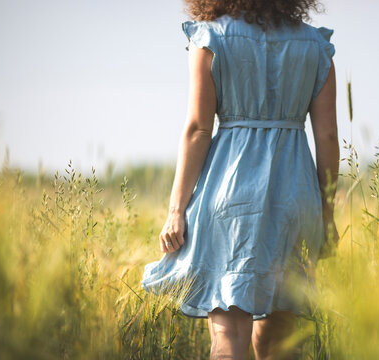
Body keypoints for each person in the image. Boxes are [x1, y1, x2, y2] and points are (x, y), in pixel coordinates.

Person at [141, 0, 340, 358]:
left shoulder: (212, 37)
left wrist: (176, 209)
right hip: (295, 195)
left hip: (229, 194)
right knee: (281, 337)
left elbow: (198, 129)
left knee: (229, 336)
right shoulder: (315, 46)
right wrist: (326, 214)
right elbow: (326, 136)